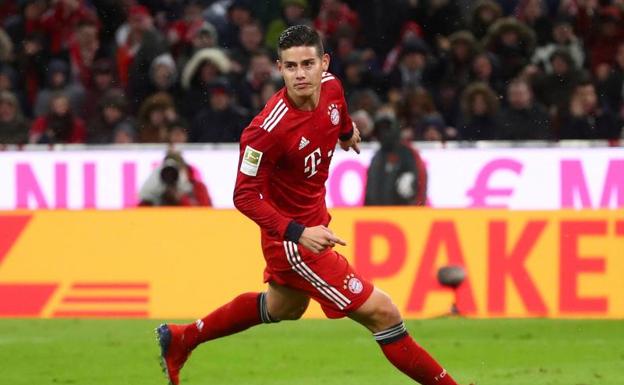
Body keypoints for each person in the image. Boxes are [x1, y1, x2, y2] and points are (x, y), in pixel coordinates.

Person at [156, 25, 464, 385]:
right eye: (290, 67)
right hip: (294, 241)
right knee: (384, 313)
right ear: (279, 68)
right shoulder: (265, 131)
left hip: (312, 222)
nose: (300, 74)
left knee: (283, 306)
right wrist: (298, 233)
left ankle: (181, 338)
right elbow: (243, 196)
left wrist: (347, 131)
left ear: (324, 63)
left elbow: (337, 109)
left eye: (307, 64)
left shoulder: (331, 86)